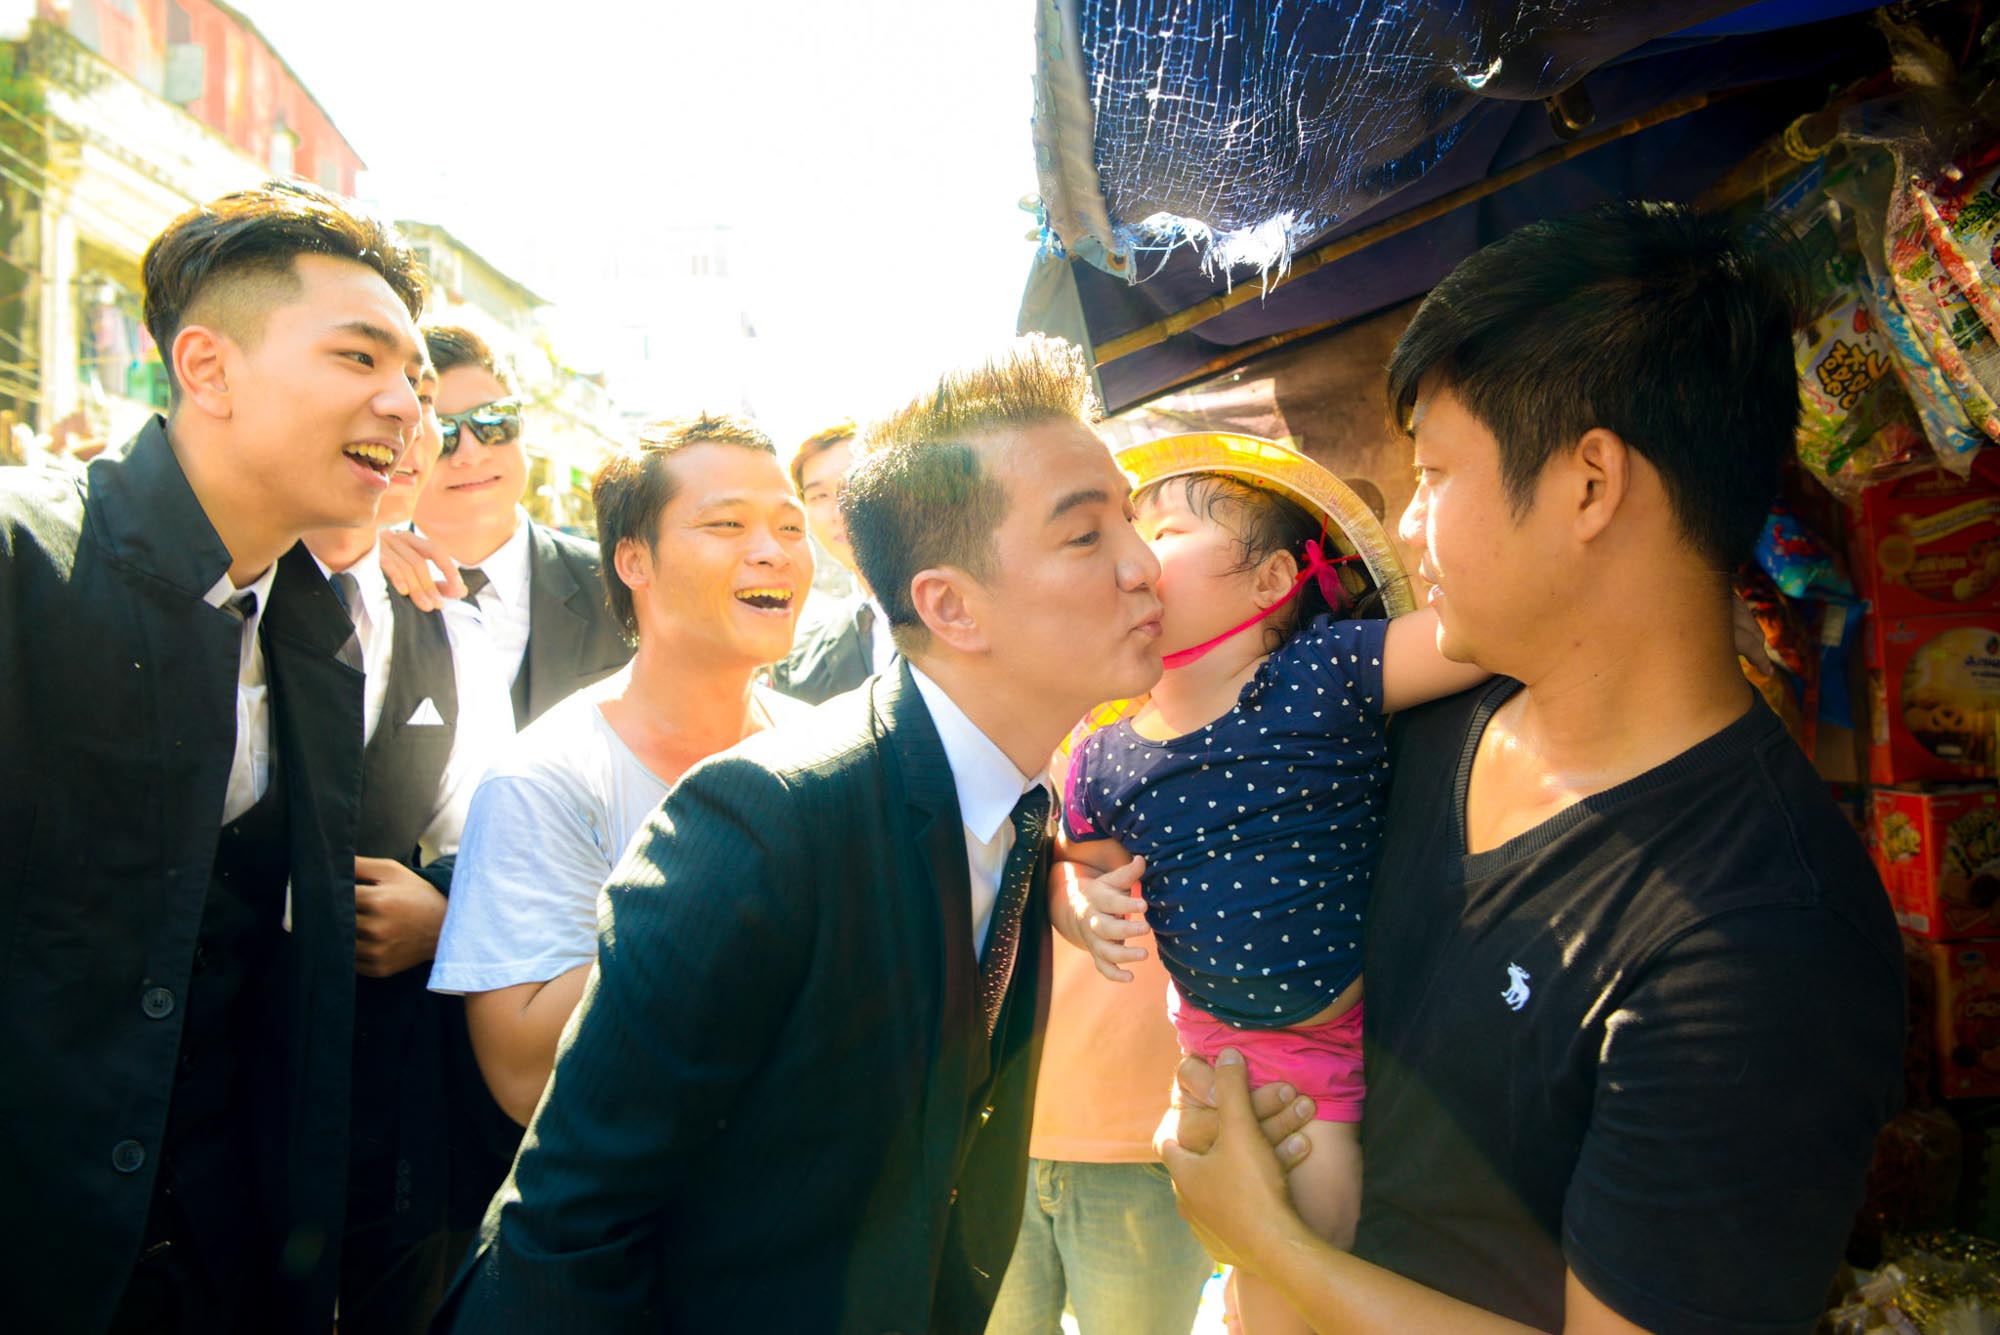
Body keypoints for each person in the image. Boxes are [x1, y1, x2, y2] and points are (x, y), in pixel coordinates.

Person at [1155, 201, 1905, 1334]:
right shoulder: (1416, 729)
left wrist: (1268, 1246)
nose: (1410, 526)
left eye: (1434, 473)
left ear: (1589, 484)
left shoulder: (1763, 937)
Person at [435, 335, 1166, 1333]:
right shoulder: (764, 816)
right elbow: (564, 1230)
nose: (1143, 564)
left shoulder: (1017, 811)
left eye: (1131, 517)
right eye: (1084, 535)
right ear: (948, 606)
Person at [0, 181, 427, 1332]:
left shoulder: (317, 632)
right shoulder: (21, 559)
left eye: (414, 375)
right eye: (358, 357)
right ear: (207, 368)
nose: (403, 403)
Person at [1056, 439, 1483, 1334]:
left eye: (1163, 530)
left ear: (1273, 580)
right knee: (1272, 1268)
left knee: (1314, 1253)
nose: (1134, 554)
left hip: (1350, 1041)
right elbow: (1081, 866)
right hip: (1224, 1050)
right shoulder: (1103, 754)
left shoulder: (1326, 669)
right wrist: (1080, 904)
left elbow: (1477, 638)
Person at [429, 413, 812, 1126]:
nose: (773, 553)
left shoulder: (828, 748)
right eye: (727, 525)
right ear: (634, 561)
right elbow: (523, 1077)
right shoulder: (545, 779)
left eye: (791, 527)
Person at [299, 363, 516, 1334]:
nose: (413, 424)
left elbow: (491, 834)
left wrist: (444, 909)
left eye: (424, 399)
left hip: (384, 1074)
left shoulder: (450, 629)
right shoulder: (231, 594)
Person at [378, 325, 630, 726]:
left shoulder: (618, 588)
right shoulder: (364, 586)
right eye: (443, 430)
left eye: (494, 420)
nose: (471, 453)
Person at [768, 419, 897, 702]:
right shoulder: (797, 667)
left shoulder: (976, 613)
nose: (839, 512)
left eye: (853, 485)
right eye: (819, 496)